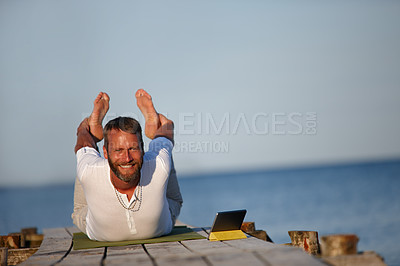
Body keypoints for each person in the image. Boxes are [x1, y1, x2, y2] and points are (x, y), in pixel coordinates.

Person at [71, 89, 183, 241]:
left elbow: (165, 137)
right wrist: (84, 129)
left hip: (164, 216)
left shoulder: (158, 165)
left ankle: (151, 123)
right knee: (84, 164)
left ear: (143, 148)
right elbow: (83, 144)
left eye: (133, 148)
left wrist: (163, 123)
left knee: (164, 157)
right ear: (105, 153)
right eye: (118, 150)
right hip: (92, 221)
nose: (127, 158)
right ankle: (93, 126)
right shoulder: (90, 171)